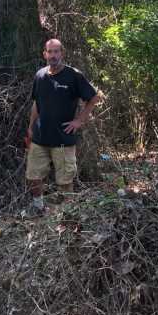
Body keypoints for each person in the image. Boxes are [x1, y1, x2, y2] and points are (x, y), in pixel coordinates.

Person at [25, 38, 100, 216]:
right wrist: (30, 127)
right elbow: (37, 103)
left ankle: (68, 217)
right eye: (49, 52)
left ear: (62, 53)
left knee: (65, 181)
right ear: (44, 54)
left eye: (56, 51)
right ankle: (38, 207)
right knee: (33, 176)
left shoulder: (74, 75)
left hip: (63, 140)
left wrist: (79, 121)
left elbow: (94, 99)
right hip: (40, 137)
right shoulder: (40, 75)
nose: (53, 55)